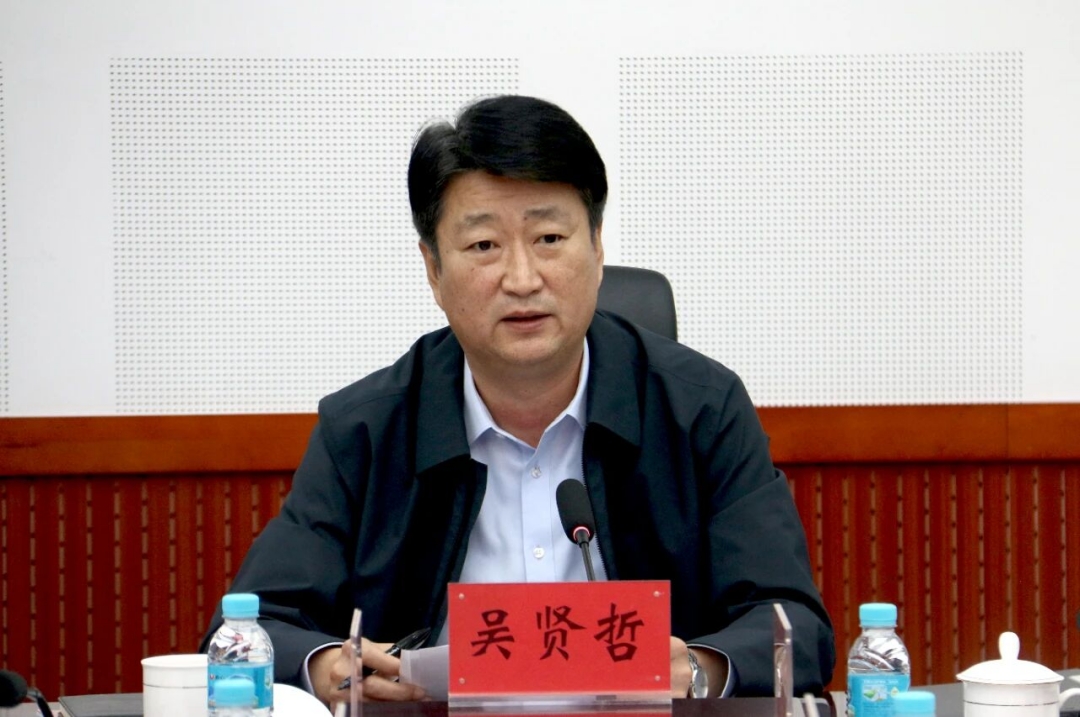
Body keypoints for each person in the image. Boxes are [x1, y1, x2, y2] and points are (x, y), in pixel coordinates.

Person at [201, 94, 835, 707]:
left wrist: (697, 671)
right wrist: (328, 666)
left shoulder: (700, 411)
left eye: (550, 238)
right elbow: (246, 634)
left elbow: (795, 625)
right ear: (433, 268)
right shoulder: (366, 429)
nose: (524, 279)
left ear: (597, 246)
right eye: (484, 246)